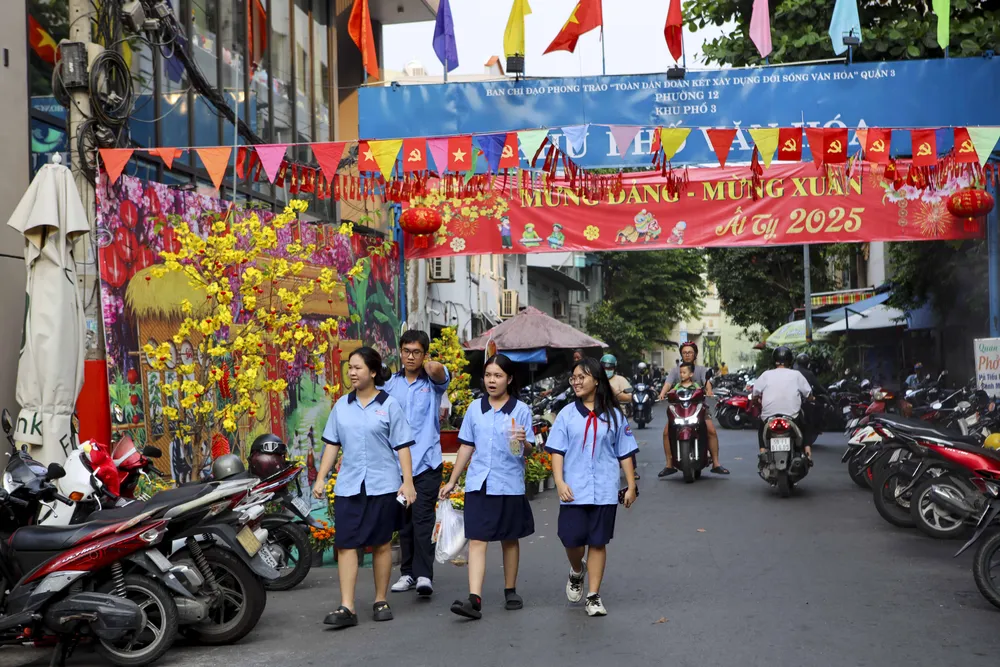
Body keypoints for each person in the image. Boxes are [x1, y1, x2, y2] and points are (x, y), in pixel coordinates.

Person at [313, 347, 417, 629]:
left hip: (382, 484)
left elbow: (403, 447)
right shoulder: (341, 406)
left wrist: (407, 483)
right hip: (349, 486)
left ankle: (380, 600)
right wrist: (322, 477)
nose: (352, 372)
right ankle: (347, 606)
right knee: (346, 544)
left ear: (372, 372)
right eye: (350, 368)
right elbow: (332, 444)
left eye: (358, 368)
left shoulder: (389, 405)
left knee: (381, 542)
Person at [441, 354, 535, 620]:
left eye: (498, 376)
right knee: (477, 539)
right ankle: (474, 598)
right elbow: (466, 446)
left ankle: (510, 590)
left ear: (509, 379)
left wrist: (524, 442)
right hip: (479, 482)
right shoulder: (474, 409)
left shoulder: (521, 410)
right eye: (488, 375)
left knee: (509, 537)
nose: (492, 381)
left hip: (509, 483)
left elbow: (528, 450)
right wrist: (452, 480)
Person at [545, 357, 638, 617]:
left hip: (605, 488)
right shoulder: (566, 414)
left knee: (598, 542)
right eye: (573, 377)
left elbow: (625, 452)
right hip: (573, 489)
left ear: (597, 380)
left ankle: (594, 596)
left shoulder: (614, 415)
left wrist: (630, 486)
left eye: (582, 377)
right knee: (571, 539)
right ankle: (577, 570)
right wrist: (560, 481)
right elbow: (556, 452)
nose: (576, 382)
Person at [385, 330, 451, 598]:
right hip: (398, 466)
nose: (410, 356)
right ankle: (408, 573)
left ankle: (424, 574)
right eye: (406, 351)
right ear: (399, 352)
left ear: (424, 354)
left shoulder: (432, 382)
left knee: (423, 519)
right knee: (405, 522)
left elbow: (439, 372)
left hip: (427, 462)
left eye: (416, 352)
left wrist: (429, 364)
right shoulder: (390, 384)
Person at [658, 342, 730, 476]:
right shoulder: (676, 370)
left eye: (690, 352)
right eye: (684, 352)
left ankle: (716, 463)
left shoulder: (701, 370)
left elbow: (707, 382)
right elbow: (668, 383)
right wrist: (662, 393)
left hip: (699, 407)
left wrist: (709, 391)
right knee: (666, 433)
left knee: (711, 430)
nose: (687, 355)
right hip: (679, 408)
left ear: (695, 354)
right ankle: (669, 465)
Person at [753, 346, 814, 464]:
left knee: (761, 429)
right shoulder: (796, 375)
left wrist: (756, 401)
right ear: (790, 360)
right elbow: (808, 394)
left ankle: (762, 452)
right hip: (792, 416)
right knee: (806, 426)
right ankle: (807, 452)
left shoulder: (766, 375)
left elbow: (755, 394)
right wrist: (812, 398)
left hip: (769, 417)